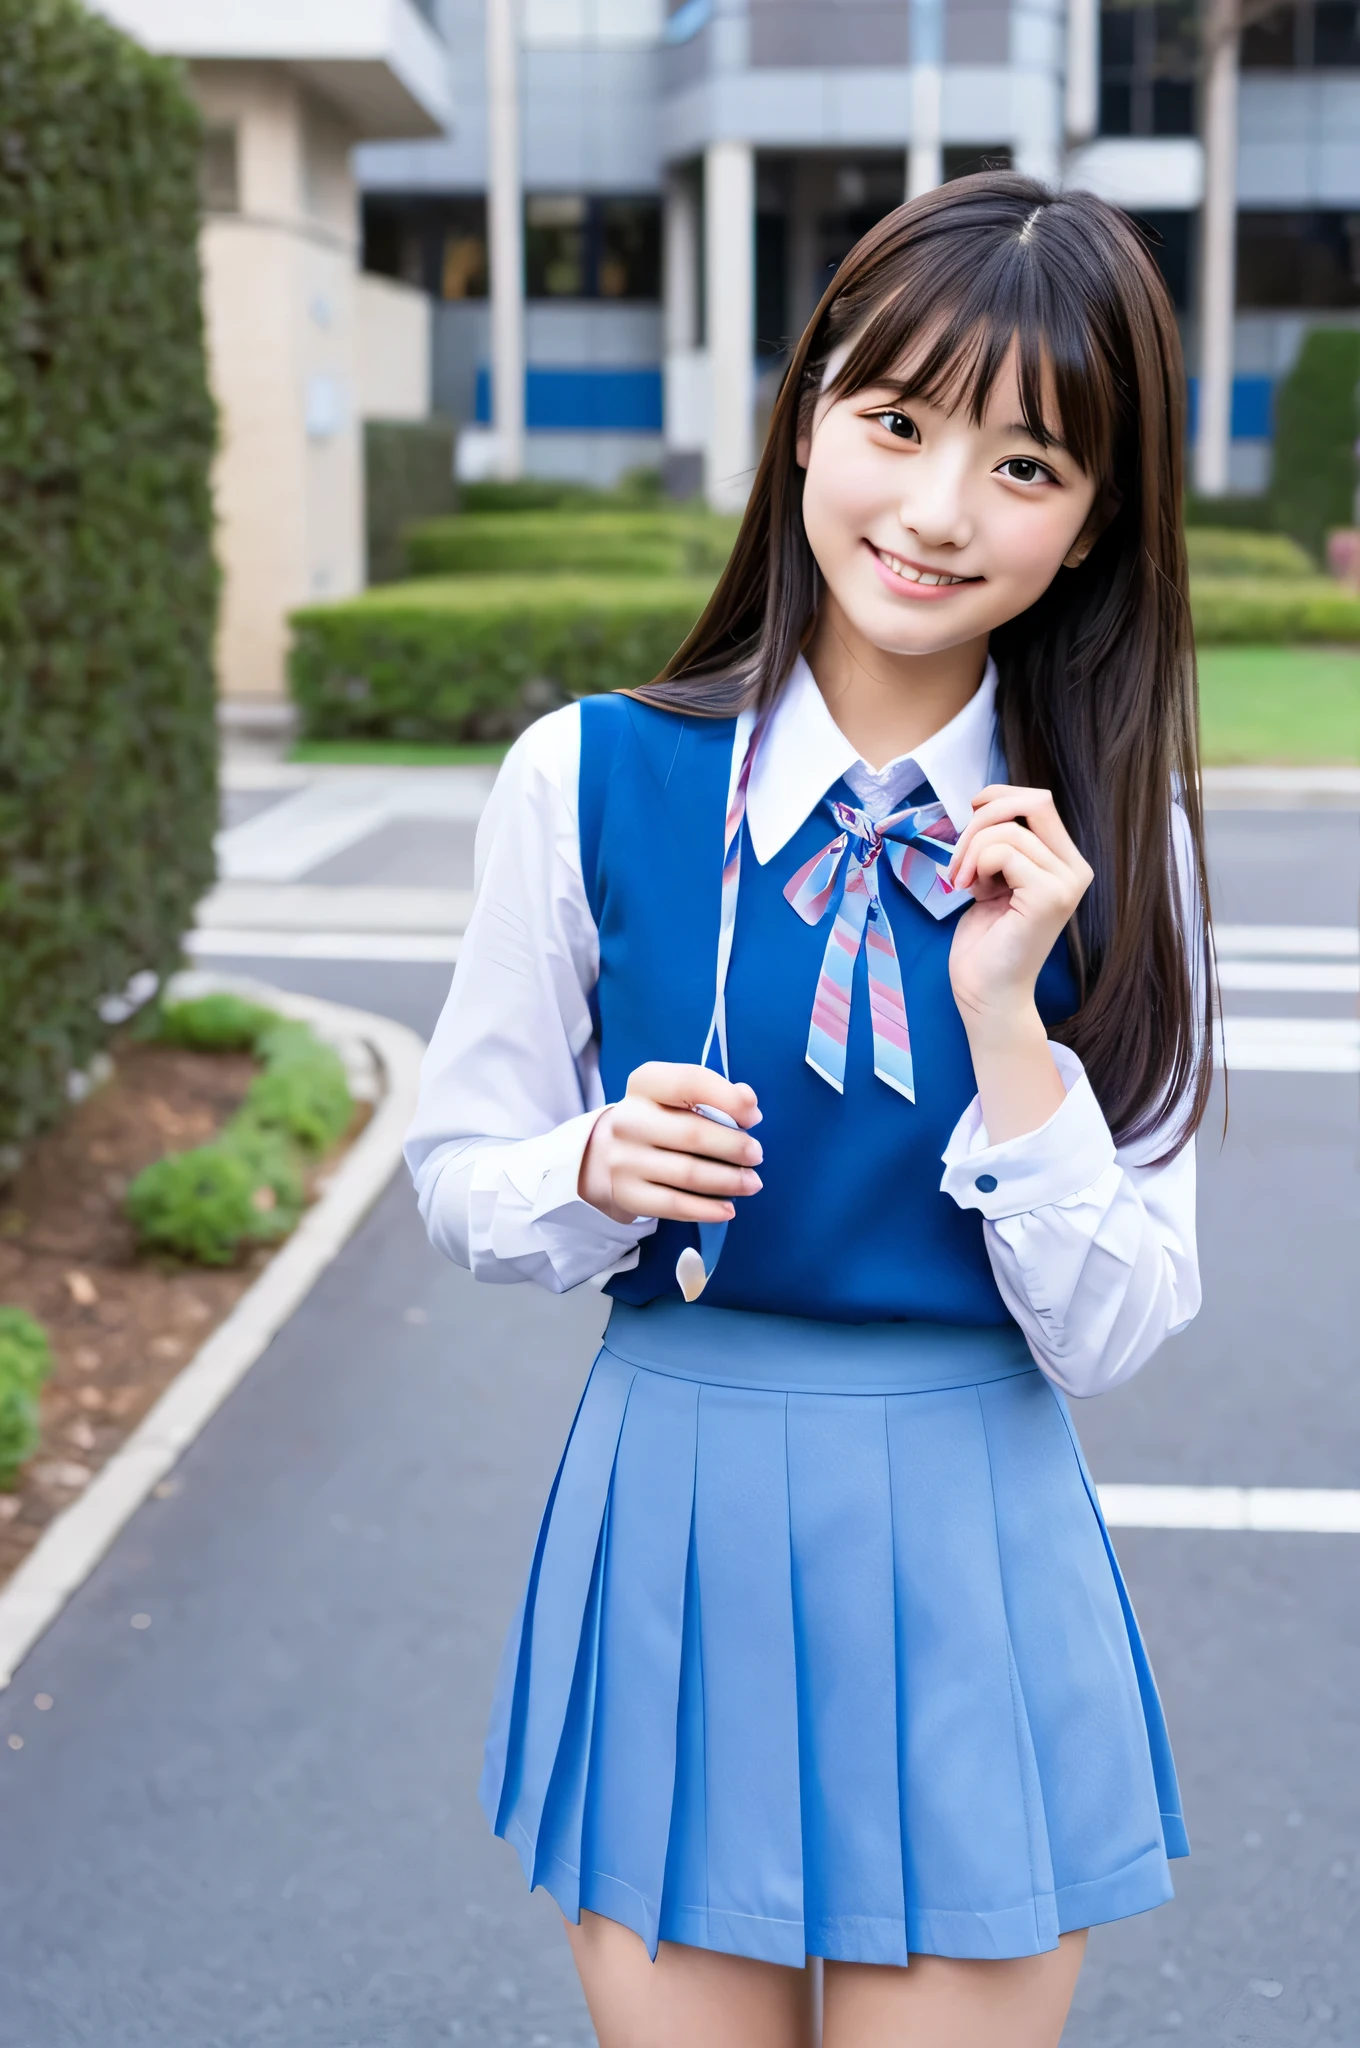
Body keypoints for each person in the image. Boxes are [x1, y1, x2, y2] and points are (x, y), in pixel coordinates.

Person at [405, 173, 1212, 2048]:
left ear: (1096, 527)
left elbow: (1116, 1328)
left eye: (1028, 467)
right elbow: (460, 1171)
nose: (935, 513)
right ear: (808, 421)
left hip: (972, 1537)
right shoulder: (586, 775)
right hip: (669, 1517)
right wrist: (592, 1169)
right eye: (899, 423)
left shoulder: (1113, 845)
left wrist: (1014, 1031)